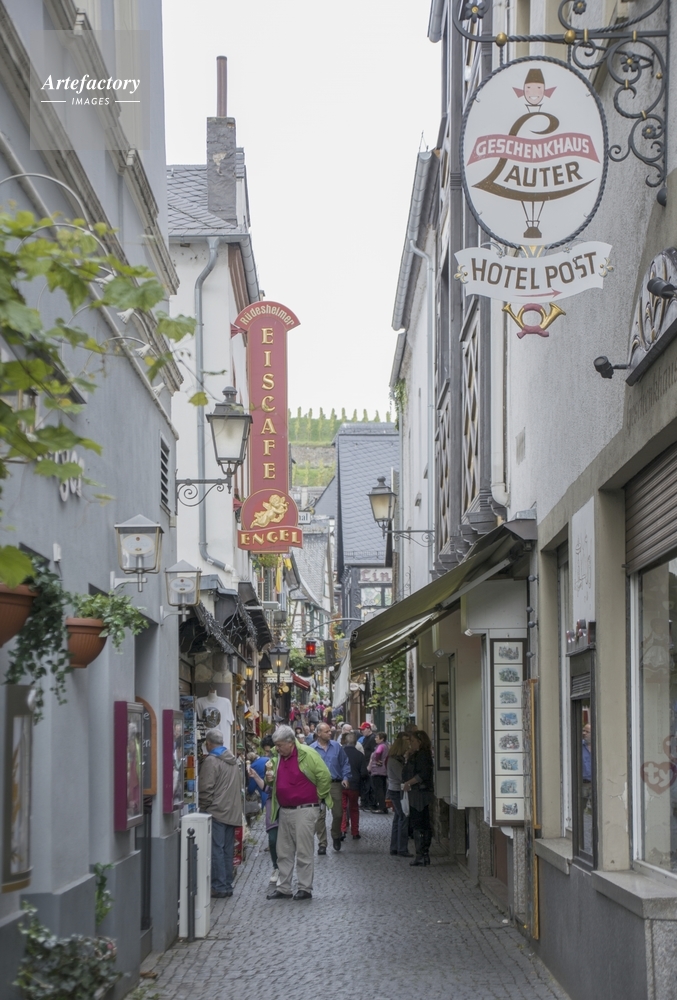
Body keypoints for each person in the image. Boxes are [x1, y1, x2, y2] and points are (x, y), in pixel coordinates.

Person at [265, 725, 332, 901]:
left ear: (290, 743)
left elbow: (325, 776)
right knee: (283, 851)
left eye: (279, 745)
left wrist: (318, 796)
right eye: (276, 745)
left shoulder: (307, 754)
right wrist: (269, 780)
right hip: (285, 809)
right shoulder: (278, 757)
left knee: (304, 850)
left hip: (305, 809)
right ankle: (284, 887)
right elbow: (274, 782)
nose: (277, 748)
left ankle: (304, 887)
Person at [198, 729, 242, 898]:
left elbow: (206, 788)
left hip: (217, 811)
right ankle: (227, 884)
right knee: (227, 850)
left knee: (216, 849)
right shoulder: (232, 760)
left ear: (208, 743)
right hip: (231, 811)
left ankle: (219, 886)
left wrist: (204, 807)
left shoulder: (211, 761)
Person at [310, 722, 350, 852]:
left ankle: (336, 835)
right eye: (326, 731)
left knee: (338, 814)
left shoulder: (336, 746)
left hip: (335, 784)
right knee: (319, 816)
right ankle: (322, 844)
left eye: (329, 731)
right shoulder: (311, 749)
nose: (330, 733)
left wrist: (345, 777)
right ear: (318, 733)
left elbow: (345, 763)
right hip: (318, 786)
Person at [247, 735, 279, 884]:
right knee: (273, 838)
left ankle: (283, 869)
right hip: (271, 803)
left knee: (284, 840)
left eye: (269, 751)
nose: (267, 755)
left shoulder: (283, 762)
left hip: (284, 805)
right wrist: (256, 777)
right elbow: (266, 787)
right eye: (266, 752)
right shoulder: (268, 764)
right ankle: (277, 867)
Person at [402, 730, 434, 867]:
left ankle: (421, 854)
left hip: (419, 793)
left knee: (419, 823)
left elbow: (423, 774)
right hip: (418, 792)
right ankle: (423, 854)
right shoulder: (418, 754)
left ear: (420, 742)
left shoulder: (422, 756)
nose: (411, 744)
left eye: (413, 741)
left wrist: (409, 783)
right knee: (421, 823)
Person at [387, 733, 411, 857]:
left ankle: (395, 847)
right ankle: (401, 848)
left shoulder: (395, 760)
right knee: (403, 817)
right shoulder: (395, 761)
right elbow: (403, 776)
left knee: (398, 818)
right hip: (397, 790)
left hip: (396, 789)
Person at [342, 733, 368, 839]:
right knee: (354, 808)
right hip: (354, 785)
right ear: (355, 742)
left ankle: (342, 829)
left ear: (345, 741)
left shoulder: (340, 753)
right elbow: (364, 773)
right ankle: (355, 832)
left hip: (341, 785)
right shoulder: (359, 755)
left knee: (342, 808)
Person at [368, 731, 389, 813]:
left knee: (378, 789)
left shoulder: (381, 746)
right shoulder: (386, 746)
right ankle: (383, 806)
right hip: (383, 770)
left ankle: (381, 807)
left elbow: (378, 752)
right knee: (382, 789)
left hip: (378, 771)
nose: (375, 739)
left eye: (377, 737)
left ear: (382, 739)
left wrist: (377, 760)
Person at [359, 723, 376, 808]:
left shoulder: (372, 738)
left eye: (363, 729)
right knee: (365, 784)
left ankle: (371, 803)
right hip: (365, 763)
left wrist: (370, 764)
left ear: (369, 729)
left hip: (369, 765)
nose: (362, 731)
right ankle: (365, 802)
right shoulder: (365, 738)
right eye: (361, 730)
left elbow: (374, 753)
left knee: (370, 785)